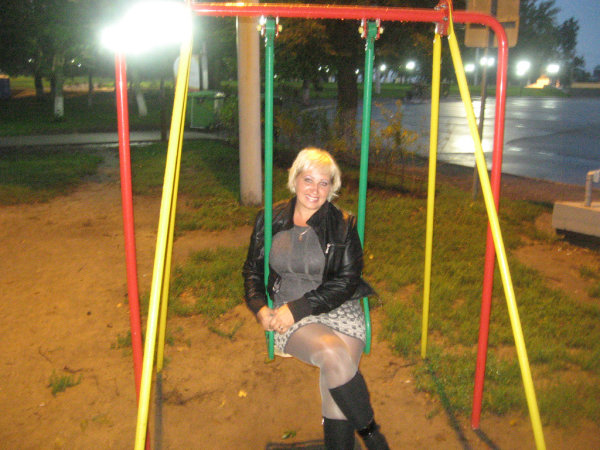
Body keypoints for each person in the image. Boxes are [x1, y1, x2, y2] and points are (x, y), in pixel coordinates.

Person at [243, 148, 389, 449]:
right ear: (295, 180)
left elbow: (346, 281)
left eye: (324, 183)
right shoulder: (269, 219)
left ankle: (354, 441)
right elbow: (252, 271)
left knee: (337, 371)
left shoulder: (343, 224)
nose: (315, 189)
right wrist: (260, 308)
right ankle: (373, 436)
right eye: (308, 180)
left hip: (337, 305)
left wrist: (301, 307)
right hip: (289, 312)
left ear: (332, 187)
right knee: (334, 355)